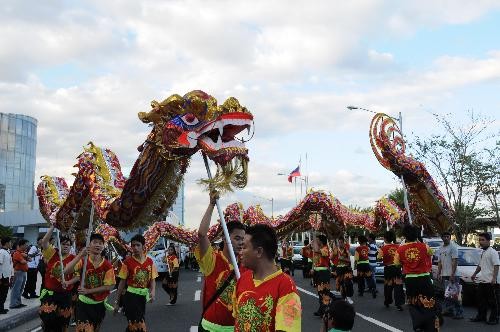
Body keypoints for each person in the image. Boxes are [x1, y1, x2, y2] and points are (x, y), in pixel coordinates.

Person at [195, 190, 247, 331]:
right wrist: (211, 204)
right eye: (237, 238)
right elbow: (201, 234)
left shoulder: (246, 264)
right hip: (211, 328)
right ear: (225, 238)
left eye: (243, 239)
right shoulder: (212, 260)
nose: (241, 242)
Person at [234, 224, 301, 331]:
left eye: (244, 247)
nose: (240, 252)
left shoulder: (286, 287)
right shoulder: (243, 279)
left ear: (259, 251)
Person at [64, 233, 115, 332]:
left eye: (100, 243)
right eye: (95, 242)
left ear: (103, 246)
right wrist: (80, 255)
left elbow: (110, 286)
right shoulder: (83, 261)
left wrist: (88, 291)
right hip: (83, 304)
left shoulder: (107, 266)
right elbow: (66, 271)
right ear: (89, 245)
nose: (98, 245)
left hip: (99, 304)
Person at [395, 224, 439, 332]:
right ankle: (430, 327)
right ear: (417, 235)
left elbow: (396, 264)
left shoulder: (400, 250)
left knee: (414, 303)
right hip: (424, 278)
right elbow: (431, 253)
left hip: (410, 279)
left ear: (405, 236)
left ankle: (418, 325)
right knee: (428, 303)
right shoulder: (424, 246)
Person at [39, 225, 80, 332]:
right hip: (50, 294)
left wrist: (68, 282)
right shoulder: (52, 253)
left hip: (65, 295)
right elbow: (44, 242)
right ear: (58, 244)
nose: (66, 246)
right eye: (63, 244)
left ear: (71, 247)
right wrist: (54, 226)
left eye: (68, 244)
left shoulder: (74, 259)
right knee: (48, 319)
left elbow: (77, 276)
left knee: (63, 322)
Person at [114, 234, 157, 332]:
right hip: (130, 297)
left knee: (133, 325)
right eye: (133, 245)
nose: (135, 248)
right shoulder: (127, 262)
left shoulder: (150, 262)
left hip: (142, 297)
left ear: (143, 246)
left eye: (138, 245)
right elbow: (121, 283)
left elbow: (152, 279)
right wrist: (117, 302)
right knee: (140, 324)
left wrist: (153, 291)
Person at [470, 232, 499, 325]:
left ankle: (494, 319)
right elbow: (480, 265)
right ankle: (481, 316)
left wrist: (494, 278)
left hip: (491, 281)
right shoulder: (483, 252)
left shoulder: (493, 252)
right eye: (480, 240)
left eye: (483, 240)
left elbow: (496, 265)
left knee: (493, 302)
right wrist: (474, 274)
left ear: (488, 241)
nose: (480, 242)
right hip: (483, 280)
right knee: (480, 300)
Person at [436, 231, 463, 319]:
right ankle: (449, 310)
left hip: (453, 275)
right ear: (442, 238)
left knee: (455, 294)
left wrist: (452, 274)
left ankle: (459, 313)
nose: (446, 238)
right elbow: (439, 262)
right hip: (445, 274)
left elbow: (455, 261)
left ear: (450, 238)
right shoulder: (440, 248)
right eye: (444, 237)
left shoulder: (453, 247)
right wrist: (439, 273)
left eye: (448, 236)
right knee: (447, 294)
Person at [378, 230, 404, 311]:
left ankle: (387, 301)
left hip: (388, 268)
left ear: (385, 239)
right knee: (398, 286)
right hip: (397, 268)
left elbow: (378, 258)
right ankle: (399, 304)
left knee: (388, 286)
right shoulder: (398, 247)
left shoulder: (382, 248)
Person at [313, 234, 331, 316]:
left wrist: (314, 235)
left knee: (324, 292)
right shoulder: (320, 248)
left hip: (323, 273)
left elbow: (316, 250)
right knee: (320, 292)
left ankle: (325, 310)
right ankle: (322, 309)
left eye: (317, 240)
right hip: (318, 273)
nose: (316, 241)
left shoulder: (325, 248)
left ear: (321, 241)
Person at [10, 238, 31, 309]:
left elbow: (29, 259)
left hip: (23, 272)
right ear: (21, 245)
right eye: (25, 245)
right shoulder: (17, 253)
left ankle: (18, 303)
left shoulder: (23, 253)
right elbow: (23, 262)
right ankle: (13, 304)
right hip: (18, 272)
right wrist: (26, 258)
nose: (26, 246)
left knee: (20, 288)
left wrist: (26, 257)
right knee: (16, 288)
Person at [332, 237, 353, 304]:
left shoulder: (346, 250)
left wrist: (342, 259)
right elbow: (331, 258)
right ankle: (339, 298)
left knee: (348, 282)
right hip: (338, 268)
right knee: (338, 283)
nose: (340, 244)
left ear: (343, 243)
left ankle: (348, 297)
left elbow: (349, 260)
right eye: (339, 242)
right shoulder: (335, 250)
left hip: (346, 268)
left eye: (341, 242)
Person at [0, 237, 13, 314]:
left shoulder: (7, 251)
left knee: (4, 293)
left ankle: (2, 307)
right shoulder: (1, 252)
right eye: (10, 242)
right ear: (7, 243)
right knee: (2, 293)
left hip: (6, 276)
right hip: (2, 276)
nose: (11, 244)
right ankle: (0, 308)